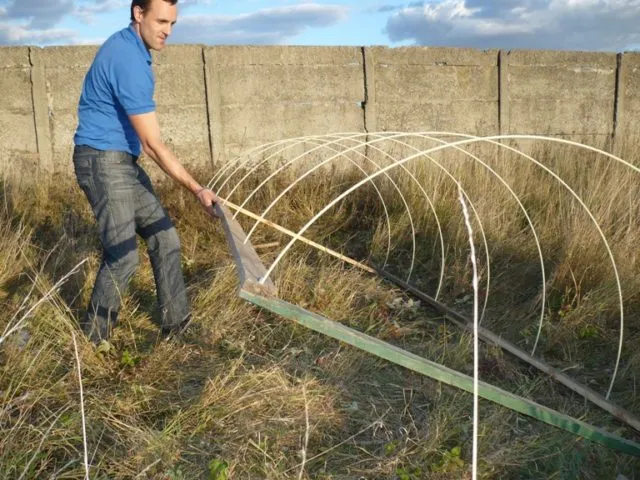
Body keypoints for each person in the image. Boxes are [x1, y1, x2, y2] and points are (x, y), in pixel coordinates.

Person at [72, 0, 217, 343]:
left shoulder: (131, 49)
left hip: (121, 161)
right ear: (139, 13)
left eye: (173, 23)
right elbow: (152, 145)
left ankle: (175, 324)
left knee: (165, 238)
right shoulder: (128, 60)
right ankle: (94, 342)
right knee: (123, 257)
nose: (167, 30)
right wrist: (197, 190)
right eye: (161, 21)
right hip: (103, 162)